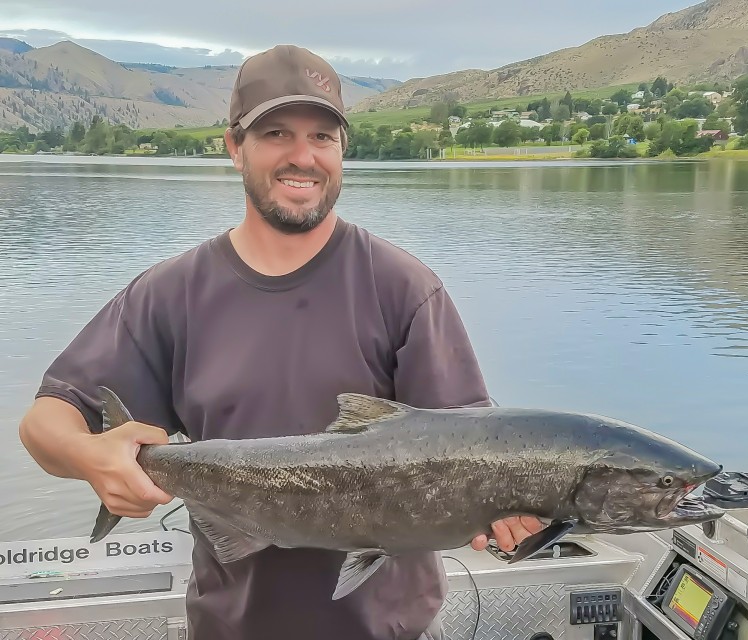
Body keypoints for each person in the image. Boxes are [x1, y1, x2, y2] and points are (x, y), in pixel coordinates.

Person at [18, 44, 544, 640]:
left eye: (324, 136)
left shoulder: (404, 289)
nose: (304, 157)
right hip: (228, 627)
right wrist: (93, 458)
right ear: (234, 146)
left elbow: (475, 451)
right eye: (276, 133)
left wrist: (511, 507)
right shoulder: (170, 295)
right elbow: (46, 422)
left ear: (343, 149)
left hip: (389, 631)